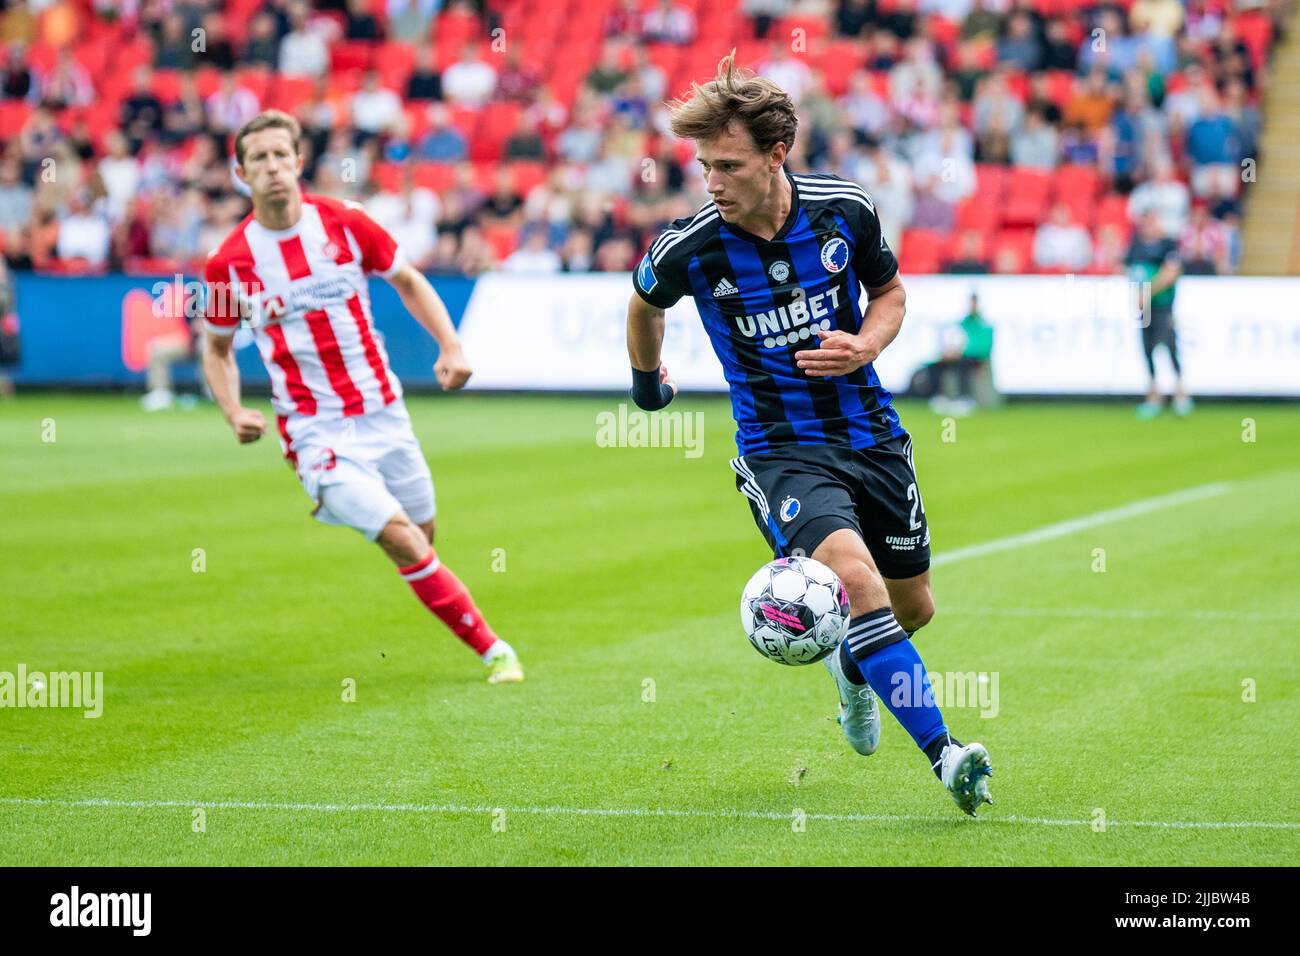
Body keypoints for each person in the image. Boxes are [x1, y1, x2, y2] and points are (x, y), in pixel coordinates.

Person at [625, 56, 993, 816]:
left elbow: (888, 293)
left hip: (872, 435)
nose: (712, 182)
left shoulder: (843, 211)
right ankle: (947, 754)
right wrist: (646, 381)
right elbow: (643, 301)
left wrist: (865, 345)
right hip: (781, 452)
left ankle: (853, 671)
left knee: (910, 607)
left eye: (727, 166)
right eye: (704, 167)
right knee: (857, 586)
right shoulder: (691, 246)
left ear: (776, 156)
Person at [201, 111, 523, 684]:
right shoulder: (231, 263)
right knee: (402, 539)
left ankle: (442, 601)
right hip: (313, 430)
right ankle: (495, 650)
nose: (272, 167)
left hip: (385, 412)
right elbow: (218, 348)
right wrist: (233, 411)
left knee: (422, 537)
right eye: (259, 159)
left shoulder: (345, 223)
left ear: (299, 162)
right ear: (240, 172)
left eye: (281, 155)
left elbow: (407, 281)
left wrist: (450, 346)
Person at [1125, 209, 1191, 418]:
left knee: (1170, 345)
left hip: (1163, 306)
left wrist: (1147, 292)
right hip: (1145, 309)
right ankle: (1154, 394)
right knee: (1147, 348)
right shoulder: (1135, 247)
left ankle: (1180, 393)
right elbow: (1130, 271)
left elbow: (1171, 273)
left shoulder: (1167, 246)